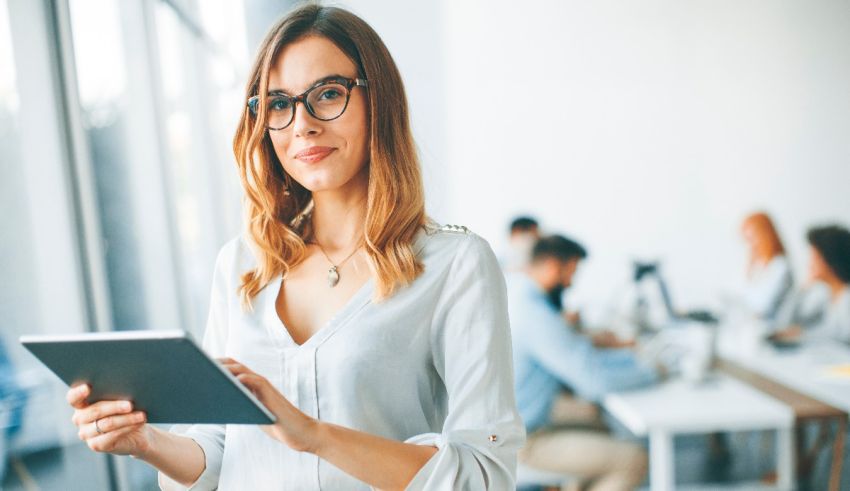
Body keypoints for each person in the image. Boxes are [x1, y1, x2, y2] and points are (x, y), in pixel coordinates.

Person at [64, 5, 524, 489]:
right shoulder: (243, 263)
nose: (301, 124)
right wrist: (146, 443)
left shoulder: (454, 266)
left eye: (328, 94)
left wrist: (315, 436)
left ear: (379, 100)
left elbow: (484, 475)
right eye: (279, 104)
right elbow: (222, 449)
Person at [508, 235, 659, 491]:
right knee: (634, 459)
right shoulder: (535, 314)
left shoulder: (523, 297)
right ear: (554, 266)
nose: (571, 283)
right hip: (525, 441)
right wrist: (652, 371)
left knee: (601, 425)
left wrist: (616, 354)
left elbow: (575, 354)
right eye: (571, 272)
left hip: (519, 427)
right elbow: (593, 381)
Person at [773, 225, 850, 344]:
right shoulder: (826, 297)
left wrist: (804, 334)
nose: (809, 263)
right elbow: (785, 323)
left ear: (830, 258)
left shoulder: (846, 297)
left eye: (814, 257)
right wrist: (802, 289)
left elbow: (843, 339)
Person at [740, 212, 793, 326]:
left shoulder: (781, 267)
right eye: (748, 240)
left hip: (772, 329)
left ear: (766, 235)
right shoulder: (758, 265)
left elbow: (763, 307)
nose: (751, 245)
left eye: (753, 238)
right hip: (753, 326)